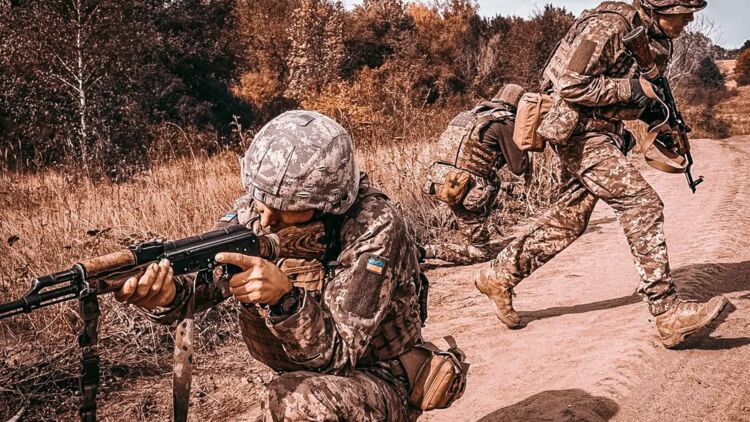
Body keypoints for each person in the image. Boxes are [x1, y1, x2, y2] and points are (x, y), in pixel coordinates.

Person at [114, 110, 434, 420]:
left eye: (285, 208)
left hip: (381, 377)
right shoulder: (257, 211)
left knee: (296, 402)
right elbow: (200, 280)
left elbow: (339, 355)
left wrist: (285, 299)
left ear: (327, 204)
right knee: (292, 396)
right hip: (306, 376)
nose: (266, 220)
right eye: (261, 201)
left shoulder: (374, 226)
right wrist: (167, 293)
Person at [473, 0, 728, 348]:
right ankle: (666, 310)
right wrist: (633, 90)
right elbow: (570, 85)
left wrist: (660, 119)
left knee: (570, 218)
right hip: (577, 131)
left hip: (605, 133)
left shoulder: (658, 40)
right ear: (660, 6)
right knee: (641, 203)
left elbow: (645, 95)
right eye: (682, 13)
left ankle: (499, 275)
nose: (688, 20)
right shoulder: (610, 25)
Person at [421, 84, 530, 265]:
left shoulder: (466, 116)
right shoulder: (505, 122)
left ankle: (474, 232)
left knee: (490, 182)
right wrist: (525, 142)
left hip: (441, 181)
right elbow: (519, 167)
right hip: (466, 188)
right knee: (482, 253)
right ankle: (425, 251)